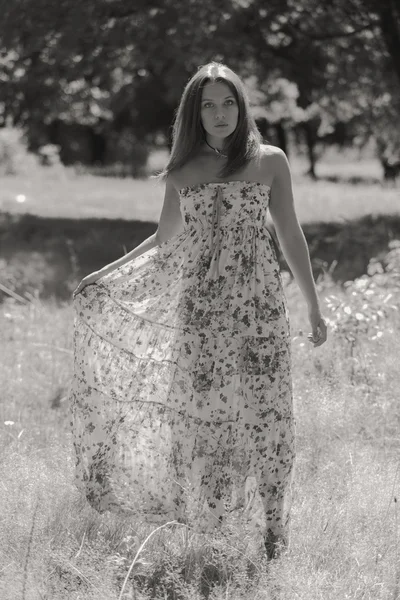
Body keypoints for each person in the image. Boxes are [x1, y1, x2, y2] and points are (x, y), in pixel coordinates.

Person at [70, 62, 327, 560]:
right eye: (208, 104)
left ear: (241, 105)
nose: (219, 113)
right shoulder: (182, 168)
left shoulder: (270, 160)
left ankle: (274, 526)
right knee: (206, 417)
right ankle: (218, 529)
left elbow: (290, 233)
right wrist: (106, 273)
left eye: (227, 102)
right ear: (195, 111)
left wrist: (315, 304)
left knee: (265, 411)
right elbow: (166, 236)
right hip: (202, 311)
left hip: (259, 308)